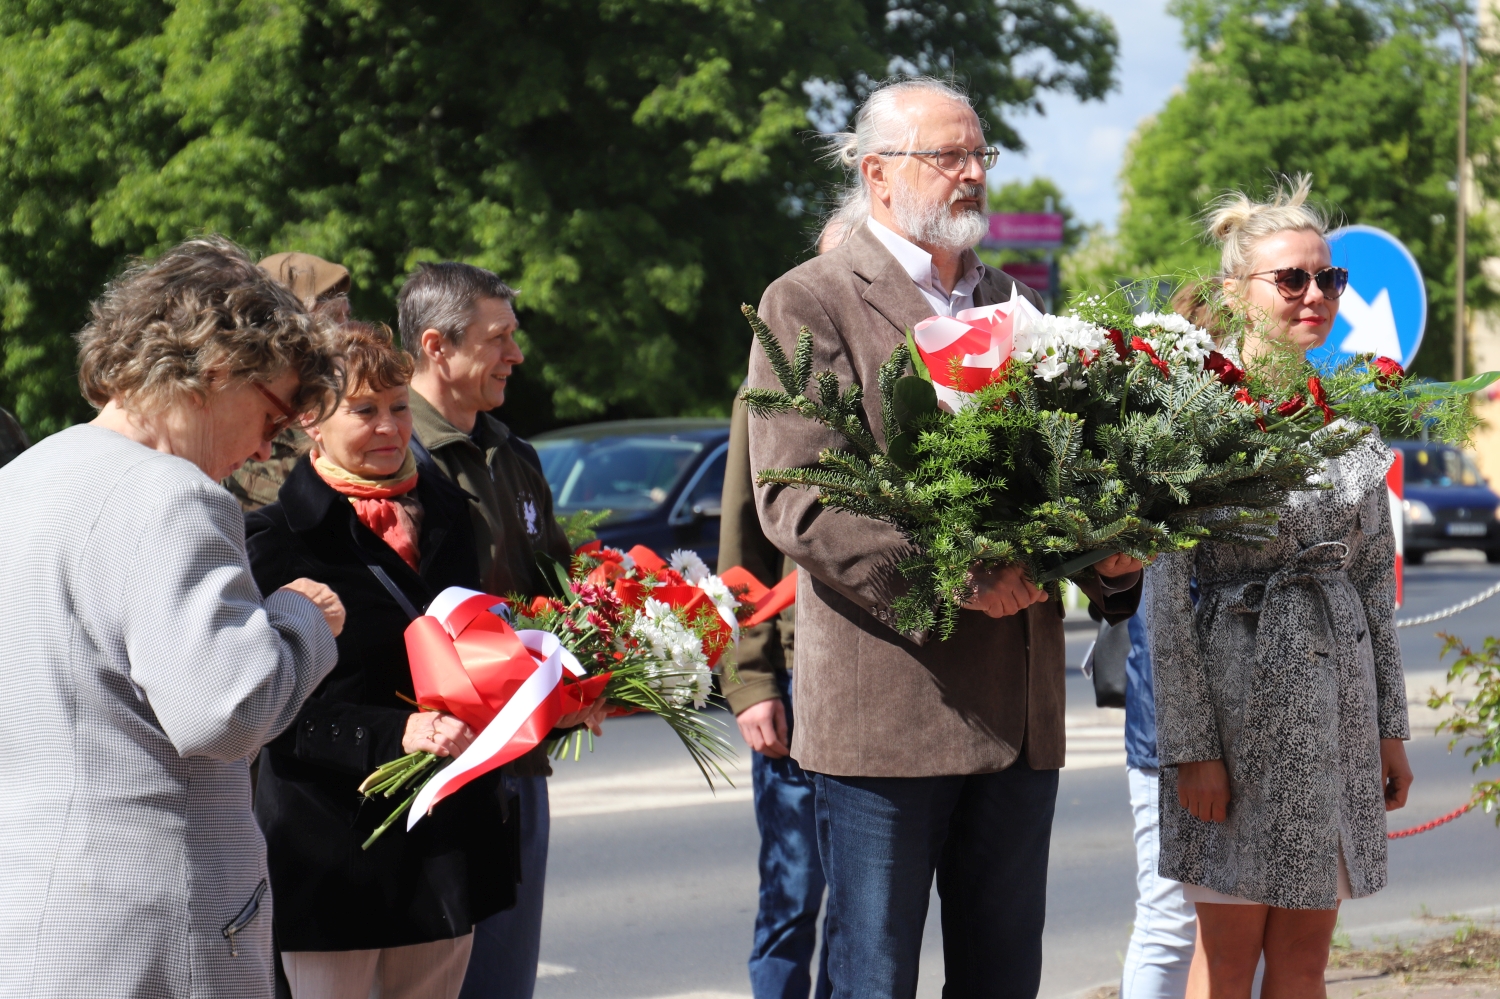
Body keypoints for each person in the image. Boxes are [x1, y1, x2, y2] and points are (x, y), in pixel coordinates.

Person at [746, 77, 1145, 999]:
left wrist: (1113, 565)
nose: (972, 174)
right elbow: (799, 495)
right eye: (948, 156)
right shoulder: (808, 300)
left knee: (1004, 980)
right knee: (872, 979)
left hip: (1018, 719)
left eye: (980, 155)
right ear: (878, 174)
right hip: (889, 718)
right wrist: (951, 573)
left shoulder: (1019, 301)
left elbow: (1070, 479)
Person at [0, 235, 347, 999]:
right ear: (218, 367)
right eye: (274, 413)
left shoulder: (22, 481)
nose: (270, 445)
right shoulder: (173, 495)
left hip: (35, 919)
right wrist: (302, 621)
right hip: (159, 932)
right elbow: (225, 708)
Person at [1147, 176, 1414, 999]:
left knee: (1305, 961)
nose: (1315, 295)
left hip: (1336, 709)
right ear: (1236, 290)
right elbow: (1164, 599)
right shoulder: (1189, 418)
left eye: (1327, 278)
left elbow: (1372, 582)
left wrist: (1389, 731)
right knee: (1227, 962)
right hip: (1236, 704)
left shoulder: (1347, 420)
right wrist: (1192, 747)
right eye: (1290, 278)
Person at [245, 322, 521, 999]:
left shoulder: (450, 513)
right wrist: (394, 732)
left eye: (398, 406)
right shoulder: (272, 538)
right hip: (331, 847)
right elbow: (269, 707)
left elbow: (478, 645)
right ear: (310, 419)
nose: (390, 427)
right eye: (364, 410)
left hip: (444, 840)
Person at [396, 261, 607, 999]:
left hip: (518, 763)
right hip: (433, 767)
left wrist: (591, 665)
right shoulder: (393, 463)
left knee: (503, 977)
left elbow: (551, 587)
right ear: (436, 347)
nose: (516, 355)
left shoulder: (513, 455)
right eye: (498, 338)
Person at [721, 393, 830, 999]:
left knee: (865, 907)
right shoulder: (779, 360)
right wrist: (751, 681)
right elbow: (743, 547)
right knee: (792, 893)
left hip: (892, 677)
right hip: (797, 670)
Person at [227, 252, 353, 512]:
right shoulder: (249, 432)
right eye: (333, 321)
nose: (348, 335)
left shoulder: (357, 408)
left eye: (346, 317)